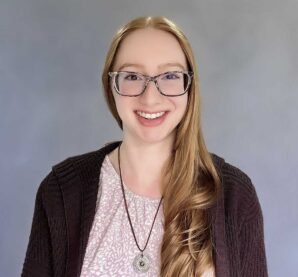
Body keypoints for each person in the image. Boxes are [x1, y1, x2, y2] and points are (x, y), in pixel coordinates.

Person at [21, 16, 268, 277]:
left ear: (189, 88)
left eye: (171, 75)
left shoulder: (235, 196)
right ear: (111, 86)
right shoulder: (62, 191)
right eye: (132, 76)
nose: (150, 97)